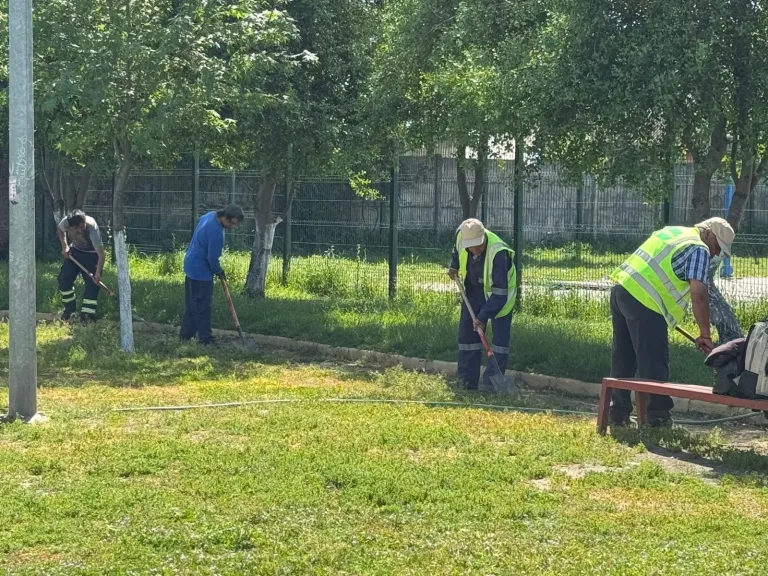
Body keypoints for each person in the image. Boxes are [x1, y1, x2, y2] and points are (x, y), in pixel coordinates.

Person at [609, 217, 736, 427]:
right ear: (708, 234)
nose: (714, 253)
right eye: (717, 248)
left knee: (623, 357)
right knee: (654, 361)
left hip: (622, 290)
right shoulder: (698, 249)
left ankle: (617, 415)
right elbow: (699, 295)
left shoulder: (673, 232)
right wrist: (705, 334)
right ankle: (658, 418)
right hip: (646, 301)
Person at [447, 218, 517, 392]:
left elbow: (500, 294)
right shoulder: (461, 235)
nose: (474, 250)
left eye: (477, 245)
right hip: (473, 291)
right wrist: (454, 266)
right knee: (467, 337)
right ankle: (467, 381)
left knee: (499, 342)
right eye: (470, 246)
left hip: (501, 297)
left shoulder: (498, 253)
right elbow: (456, 251)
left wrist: (482, 316)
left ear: (484, 238)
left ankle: (491, 385)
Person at [180, 204, 244, 344]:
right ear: (226, 218)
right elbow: (212, 259)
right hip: (201, 272)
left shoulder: (209, 216)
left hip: (190, 264)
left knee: (192, 304)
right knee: (203, 307)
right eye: (232, 223)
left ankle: (185, 336)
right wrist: (219, 271)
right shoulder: (217, 233)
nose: (233, 227)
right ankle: (205, 339)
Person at [57, 210, 106, 322]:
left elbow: (101, 255)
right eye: (76, 228)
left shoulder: (92, 227)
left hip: (92, 255)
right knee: (64, 279)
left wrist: (97, 273)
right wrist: (64, 246)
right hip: (75, 252)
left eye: (82, 227)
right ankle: (69, 309)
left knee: (92, 286)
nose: (80, 231)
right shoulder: (66, 222)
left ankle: (87, 316)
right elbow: (60, 230)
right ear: (71, 226)